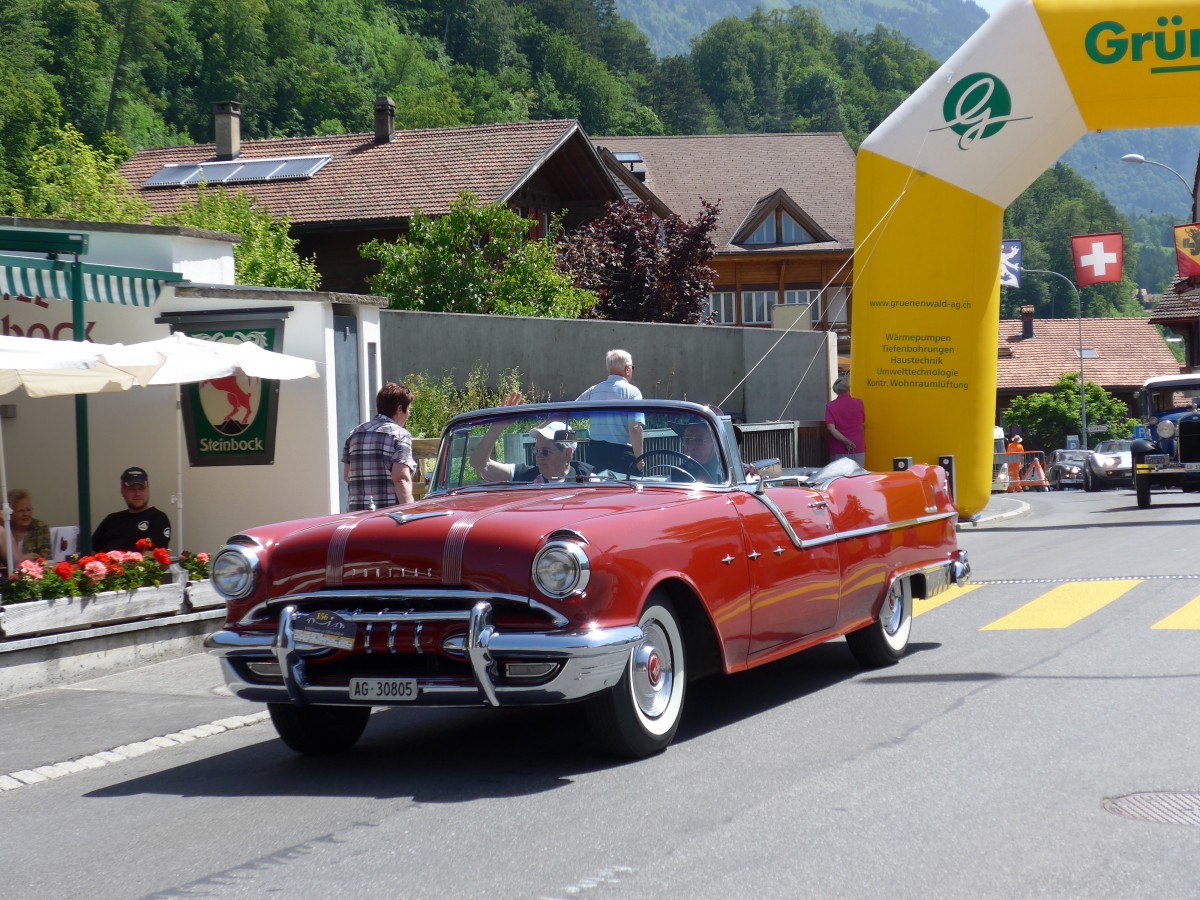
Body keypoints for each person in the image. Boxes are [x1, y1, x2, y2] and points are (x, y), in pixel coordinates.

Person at [471, 399, 594, 483]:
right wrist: (499, 424)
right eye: (536, 451)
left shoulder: (590, 480)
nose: (538, 457)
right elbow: (480, 464)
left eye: (545, 452)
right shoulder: (526, 475)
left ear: (567, 453)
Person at [342, 382, 417, 511]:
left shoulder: (354, 434)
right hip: (387, 518)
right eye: (408, 409)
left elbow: (347, 475)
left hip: (356, 516)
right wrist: (409, 512)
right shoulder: (400, 435)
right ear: (399, 409)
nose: (409, 414)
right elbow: (401, 478)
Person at [576, 349, 644, 472]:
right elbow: (635, 428)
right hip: (622, 457)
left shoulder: (593, 390)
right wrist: (640, 459)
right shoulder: (633, 392)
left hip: (595, 455)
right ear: (627, 369)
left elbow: (571, 411)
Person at [91, 467, 172, 552]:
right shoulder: (111, 519)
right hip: (106, 564)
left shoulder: (158, 518)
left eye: (141, 489)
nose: (137, 494)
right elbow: (90, 550)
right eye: (132, 489)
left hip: (139, 565)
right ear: (122, 491)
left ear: (148, 490)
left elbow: (158, 555)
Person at [825, 375, 866, 466]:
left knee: (839, 477)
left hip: (838, 448)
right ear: (849, 388)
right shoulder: (859, 403)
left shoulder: (830, 406)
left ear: (835, 390)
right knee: (858, 477)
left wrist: (846, 441)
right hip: (858, 446)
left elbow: (831, 428)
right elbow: (863, 420)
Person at [1, 488, 51, 564]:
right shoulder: (4, 528)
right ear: (10, 513)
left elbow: (44, 557)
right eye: (21, 511)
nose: (26, 514)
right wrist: (24, 558)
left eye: (28, 510)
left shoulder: (40, 527)